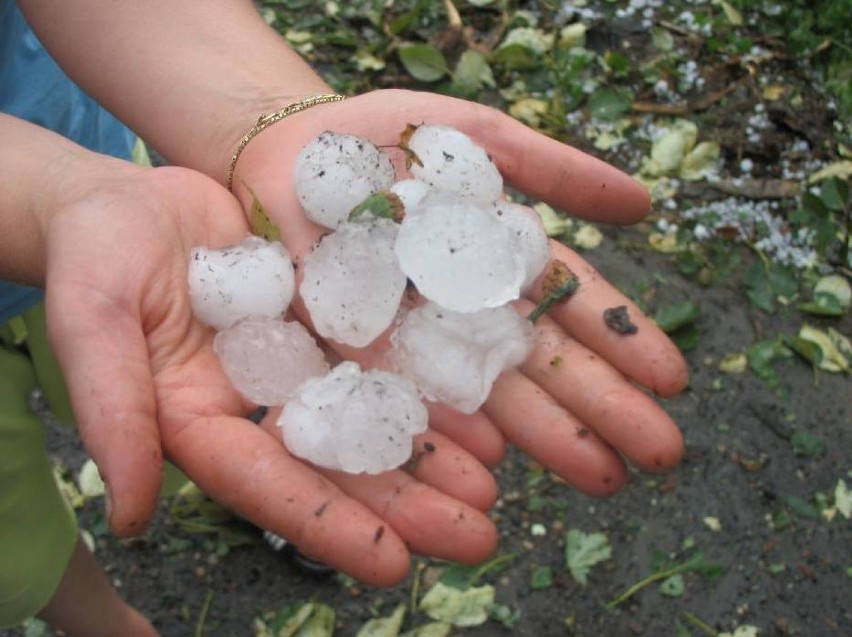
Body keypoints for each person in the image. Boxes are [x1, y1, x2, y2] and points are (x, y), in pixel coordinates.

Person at [2, 1, 688, 634]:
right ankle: (109, 623)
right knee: (17, 536)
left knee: (182, 425)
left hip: (91, 156)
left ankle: (236, 500)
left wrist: (258, 113)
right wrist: (47, 200)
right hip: (89, 219)